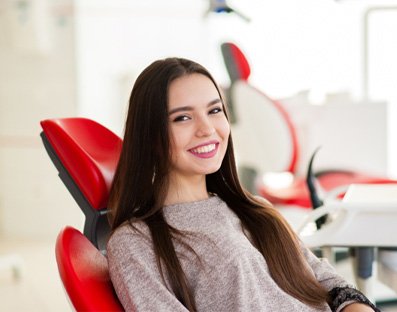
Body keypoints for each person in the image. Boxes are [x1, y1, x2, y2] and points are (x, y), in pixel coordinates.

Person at [107, 57, 379, 312]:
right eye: (183, 117)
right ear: (150, 135)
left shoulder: (255, 209)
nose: (207, 129)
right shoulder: (135, 242)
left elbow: (331, 284)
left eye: (214, 110)